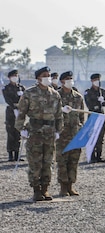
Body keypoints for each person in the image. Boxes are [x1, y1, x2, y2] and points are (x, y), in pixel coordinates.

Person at [15, 66, 64, 201]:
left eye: (49, 75)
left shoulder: (55, 94)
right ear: (38, 78)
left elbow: (59, 115)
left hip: (49, 132)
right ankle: (36, 190)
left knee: (48, 162)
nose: (48, 77)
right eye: (45, 75)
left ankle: (45, 189)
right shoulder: (29, 93)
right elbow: (21, 113)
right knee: (35, 162)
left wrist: (59, 130)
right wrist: (21, 129)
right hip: (35, 132)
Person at [56, 71, 85, 196]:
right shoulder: (56, 96)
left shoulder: (78, 97)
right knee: (62, 160)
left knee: (73, 160)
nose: (70, 81)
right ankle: (63, 186)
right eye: (67, 79)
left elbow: (81, 116)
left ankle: (70, 186)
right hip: (62, 134)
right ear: (62, 81)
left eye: (71, 78)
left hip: (75, 134)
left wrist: (81, 128)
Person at [84, 73, 105, 162]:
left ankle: (99, 155)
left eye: (98, 80)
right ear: (92, 81)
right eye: (95, 80)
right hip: (93, 116)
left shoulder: (102, 91)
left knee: (100, 137)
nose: (97, 81)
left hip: (101, 116)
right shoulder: (88, 92)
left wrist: (103, 101)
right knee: (92, 137)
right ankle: (92, 156)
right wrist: (97, 103)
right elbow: (89, 105)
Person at [2, 69, 25, 161]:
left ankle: (17, 154)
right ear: (9, 78)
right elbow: (7, 100)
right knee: (11, 133)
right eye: (13, 76)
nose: (15, 77)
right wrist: (15, 106)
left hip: (20, 112)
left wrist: (21, 107)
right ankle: (10, 155)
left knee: (18, 133)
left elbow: (25, 99)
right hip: (11, 112)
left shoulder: (21, 88)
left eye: (16, 75)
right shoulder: (6, 88)